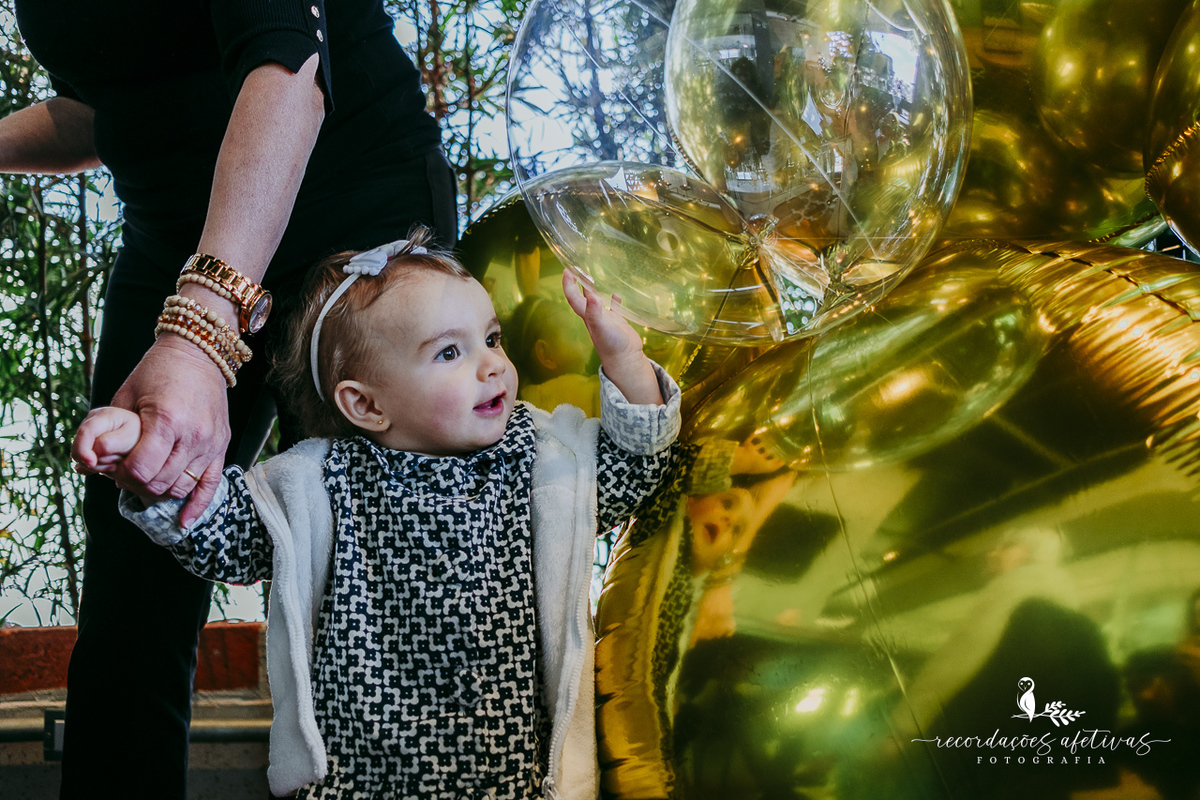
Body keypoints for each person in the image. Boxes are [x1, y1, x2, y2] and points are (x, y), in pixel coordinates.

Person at [5, 1, 457, 794]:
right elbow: (100, 107)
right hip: (172, 241)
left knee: (380, 582)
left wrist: (196, 332)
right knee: (130, 603)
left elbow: (285, 70)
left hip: (353, 226)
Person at [73, 228, 681, 799]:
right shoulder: (321, 481)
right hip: (357, 781)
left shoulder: (535, 456)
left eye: (491, 339)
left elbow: (631, 473)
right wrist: (149, 455)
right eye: (449, 352)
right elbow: (224, 534)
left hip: (513, 778)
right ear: (365, 404)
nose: (492, 364)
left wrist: (625, 358)